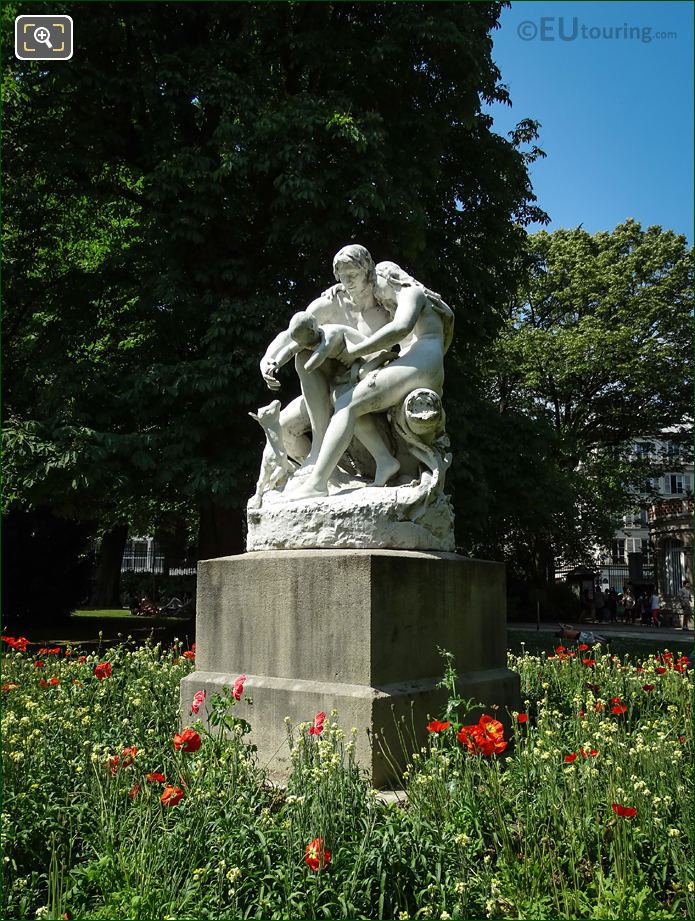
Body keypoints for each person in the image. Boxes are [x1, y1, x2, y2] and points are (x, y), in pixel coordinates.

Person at [290, 259, 454, 499]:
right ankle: (385, 462)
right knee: (349, 399)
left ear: (390, 278)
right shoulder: (421, 302)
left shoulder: (411, 292)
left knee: (347, 404)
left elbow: (400, 328)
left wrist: (355, 351)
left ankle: (317, 484)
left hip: (421, 363)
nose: (379, 296)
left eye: (378, 286)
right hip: (421, 363)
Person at [258, 245, 400, 483]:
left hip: (367, 381)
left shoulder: (385, 305)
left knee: (340, 392)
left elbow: (405, 343)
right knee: (282, 428)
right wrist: (269, 358)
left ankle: (326, 462)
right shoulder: (331, 302)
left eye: (352, 274)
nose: (347, 281)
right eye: (342, 276)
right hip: (324, 385)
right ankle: (330, 469)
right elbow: (294, 334)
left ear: (367, 270)